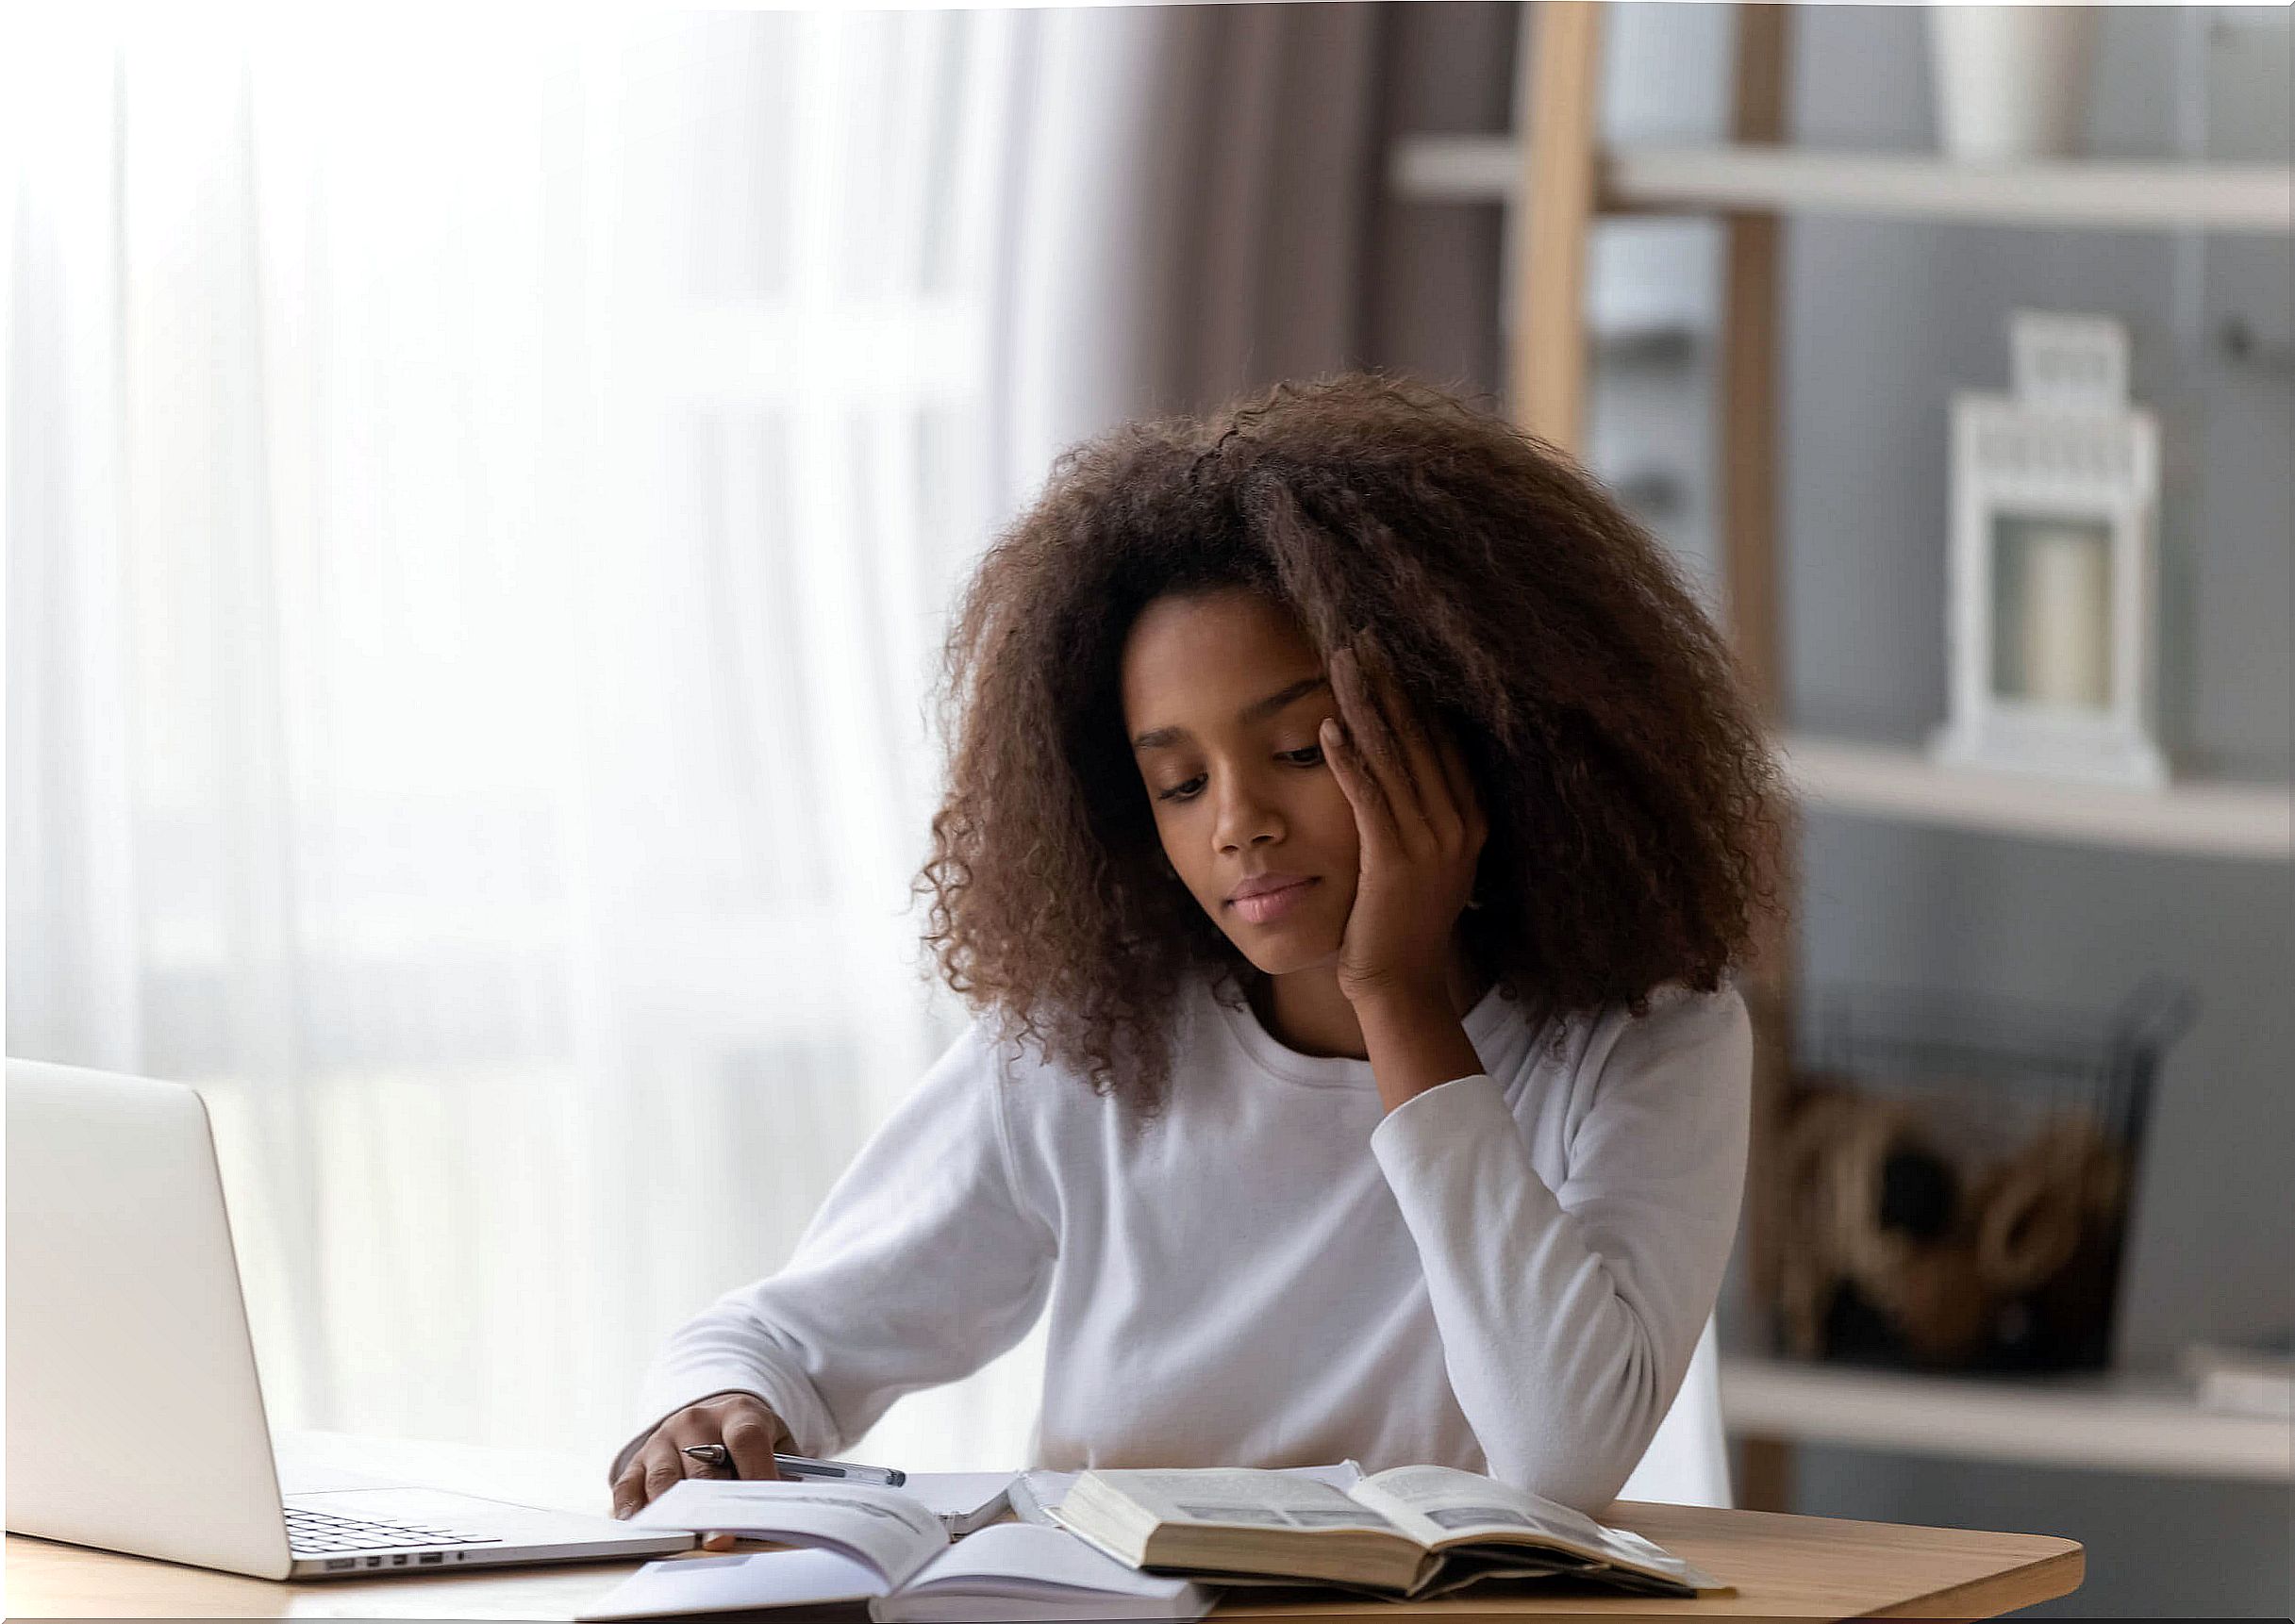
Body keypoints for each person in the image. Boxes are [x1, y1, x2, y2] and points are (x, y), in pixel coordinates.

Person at [607, 373, 1786, 1528]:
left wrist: (1398, 998)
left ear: (1476, 732)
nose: (1237, 824)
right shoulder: (1090, 1043)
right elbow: (781, 1341)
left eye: (1300, 751)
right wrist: (722, 1402)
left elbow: (1560, 1456)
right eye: (1179, 782)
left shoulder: (1651, 1035)